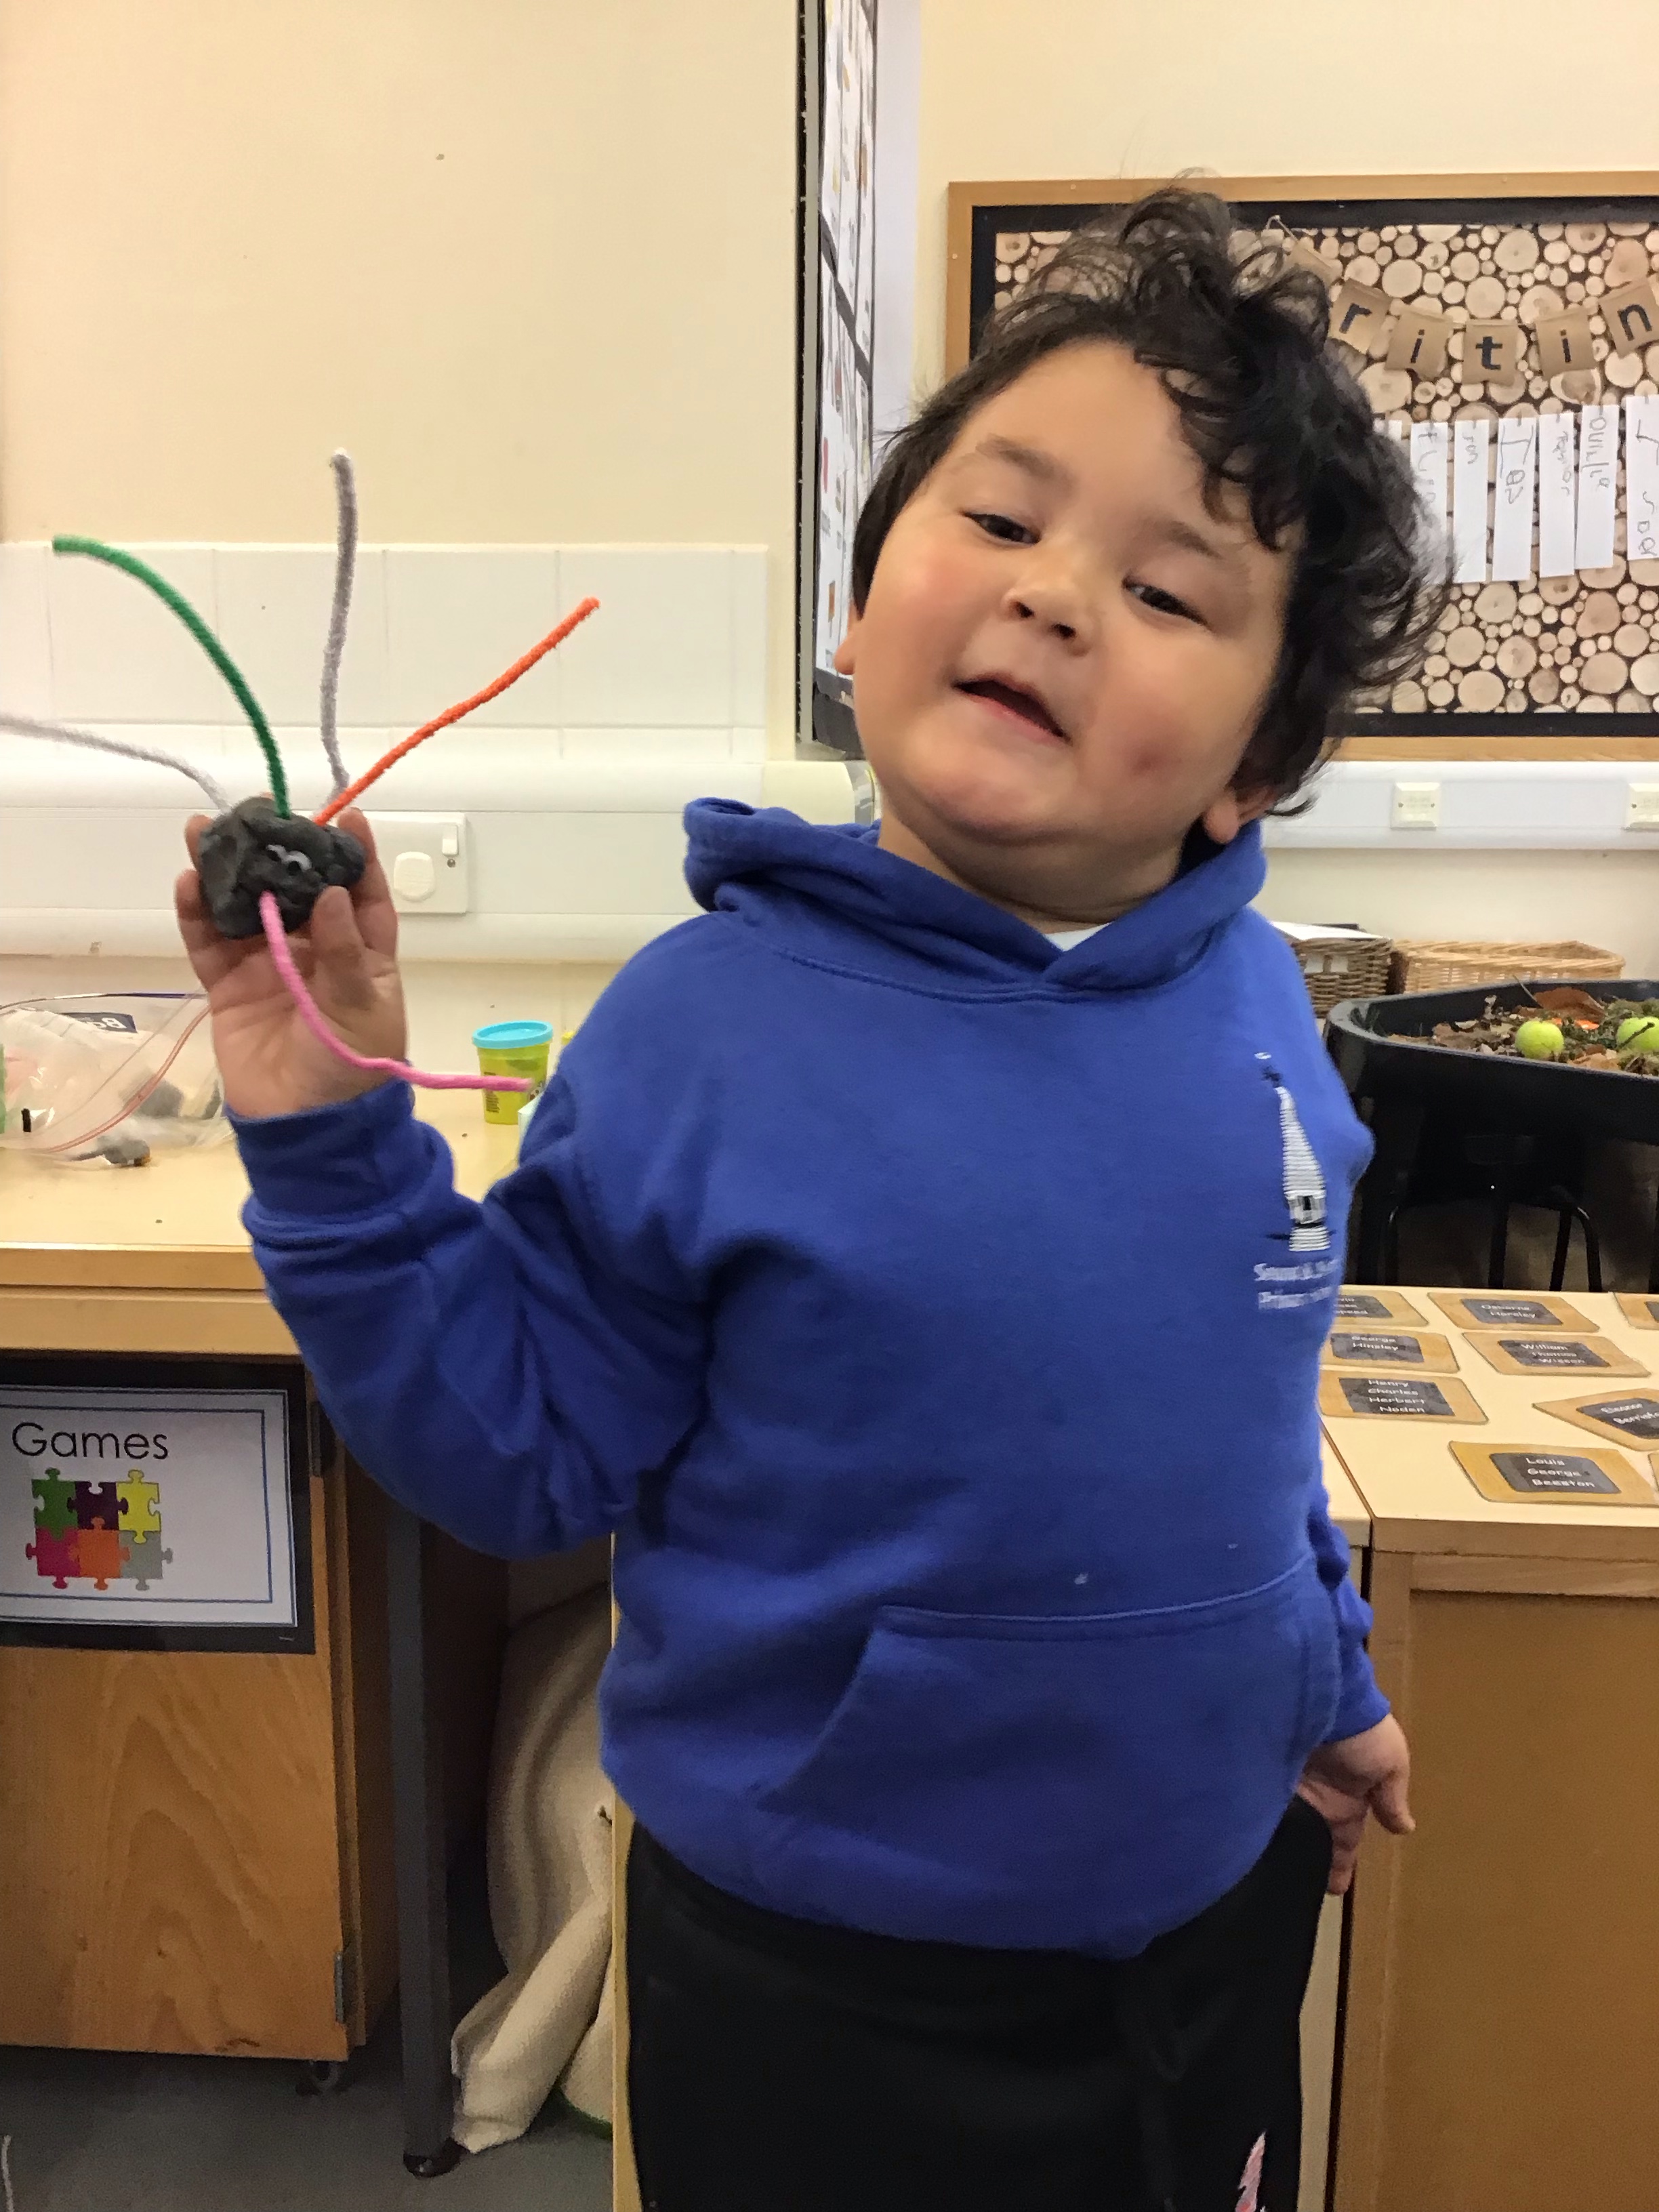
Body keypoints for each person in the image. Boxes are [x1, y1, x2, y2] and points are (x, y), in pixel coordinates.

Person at [177, 188, 1435, 2212]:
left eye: (1167, 589)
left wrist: (1325, 1676)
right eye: (1001, 518)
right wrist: (329, 1132)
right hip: (822, 1979)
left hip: (1212, 1924)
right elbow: (515, 1454)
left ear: (1253, 768)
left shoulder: (1259, 1007)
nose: (1055, 596)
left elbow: (1240, 1417)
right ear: (860, 613)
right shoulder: (702, 1028)